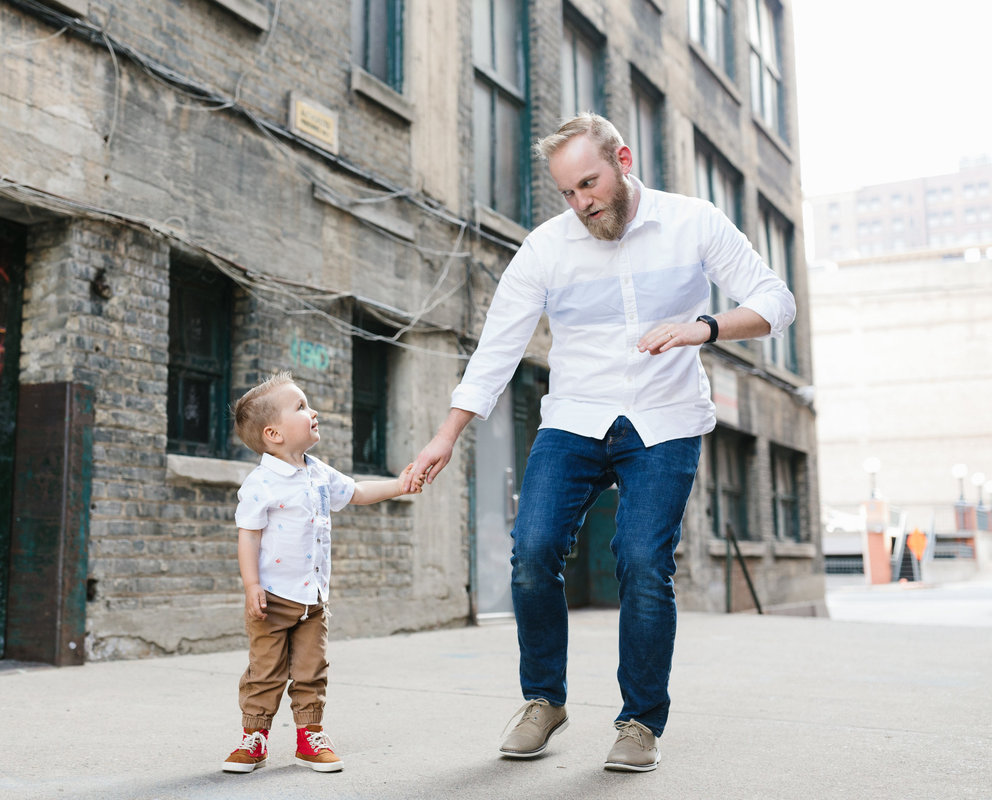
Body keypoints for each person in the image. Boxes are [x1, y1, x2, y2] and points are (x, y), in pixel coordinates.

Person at [403, 113, 795, 772]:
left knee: (643, 562)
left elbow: (775, 302)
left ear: (623, 158)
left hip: (664, 420)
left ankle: (640, 720)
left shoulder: (692, 222)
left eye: (589, 183)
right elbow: (497, 347)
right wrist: (447, 434)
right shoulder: (547, 248)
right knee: (531, 549)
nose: (582, 203)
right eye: (568, 193)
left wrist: (701, 328)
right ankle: (543, 701)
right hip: (575, 417)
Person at [223, 370, 425, 774]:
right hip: (272, 599)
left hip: (313, 599)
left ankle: (309, 737)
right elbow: (248, 537)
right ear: (273, 434)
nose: (312, 411)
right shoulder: (261, 484)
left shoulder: (318, 472)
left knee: (312, 670)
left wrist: (400, 485)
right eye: (300, 407)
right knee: (265, 671)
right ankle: (254, 737)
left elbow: (358, 492)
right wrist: (251, 586)